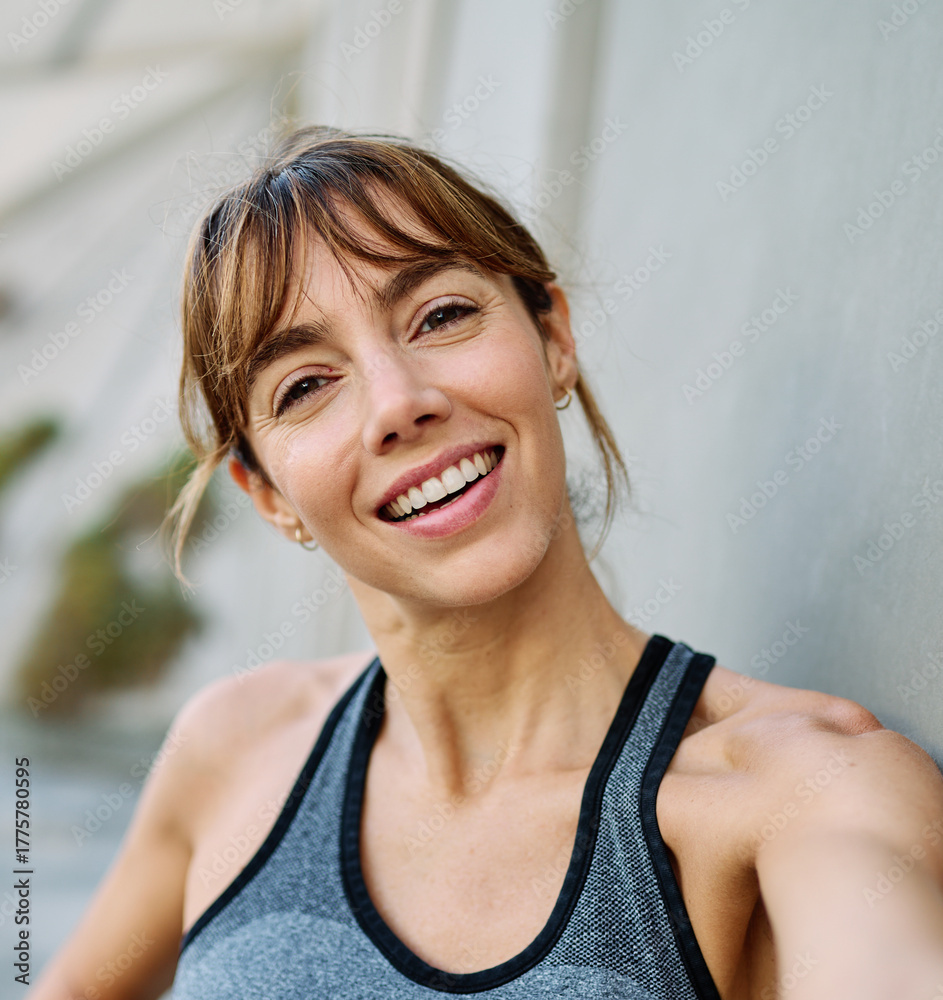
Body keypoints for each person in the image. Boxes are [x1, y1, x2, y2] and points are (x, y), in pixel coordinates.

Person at [30, 126, 943, 1000]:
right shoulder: (233, 745)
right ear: (266, 492)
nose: (397, 401)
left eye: (441, 315)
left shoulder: (800, 789)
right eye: (305, 385)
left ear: (553, 338)